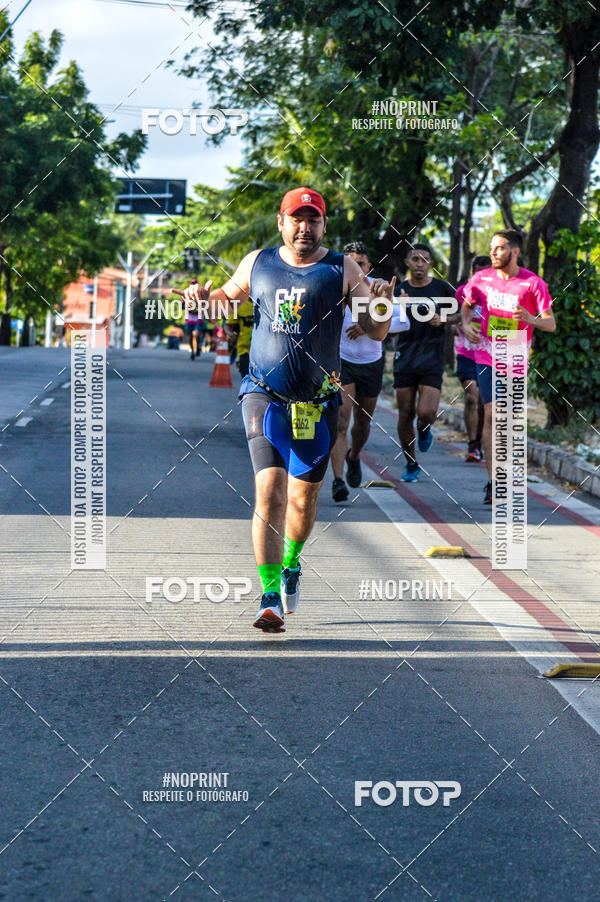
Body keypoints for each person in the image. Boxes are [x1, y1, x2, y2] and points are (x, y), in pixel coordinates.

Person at [177, 187, 395, 632]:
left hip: (318, 401)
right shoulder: (258, 262)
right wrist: (200, 296)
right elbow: (224, 301)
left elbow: (374, 332)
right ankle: (269, 595)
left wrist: (382, 305)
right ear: (281, 222)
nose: (304, 227)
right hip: (263, 394)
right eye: (297, 218)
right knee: (270, 490)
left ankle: (292, 562)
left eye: (313, 219)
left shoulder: (342, 268)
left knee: (302, 498)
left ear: (324, 225)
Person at [461, 230, 556, 504]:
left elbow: (550, 323)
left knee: (507, 421)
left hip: (514, 353)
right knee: (492, 415)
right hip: (486, 353)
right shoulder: (481, 279)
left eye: (500, 248)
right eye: (492, 247)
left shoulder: (533, 283)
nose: (493, 252)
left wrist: (531, 319)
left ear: (515, 251)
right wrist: (466, 325)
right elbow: (467, 306)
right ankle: (494, 482)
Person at [330, 241, 409, 502]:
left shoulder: (379, 287)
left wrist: (368, 326)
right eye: (350, 263)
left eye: (360, 264)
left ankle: (354, 456)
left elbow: (403, 321)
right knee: (341, 422)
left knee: (362, 424)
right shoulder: (335, 286)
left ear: (368, 266)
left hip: (371, 363)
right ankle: (338, 480)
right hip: (342, 362)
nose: (355, 268)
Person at [393, 244, 459, 482]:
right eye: (415, 259)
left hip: (432, 356)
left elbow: (461, 314)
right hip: (405, 357)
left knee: (426, 412)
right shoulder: (399, 290)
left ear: (430, 263)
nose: (419, 263)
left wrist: (444, 319)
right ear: (407, 263)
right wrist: (398, 307)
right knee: (405, 413)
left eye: (424, 259)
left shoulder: (442, 288)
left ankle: (424, 428)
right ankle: (411, 463)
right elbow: (384, 320)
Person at [454, 255, 490, 463]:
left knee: (485, 401)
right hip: (466, 353)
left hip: (489, 355)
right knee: (471, 397)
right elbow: (454, 318)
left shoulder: (499, 295)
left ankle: (482, 442)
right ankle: (472, 444)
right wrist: (457, 325)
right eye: (478, 272)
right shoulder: (462, 292)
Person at [224, 298, 254, 378]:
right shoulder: (239, 306)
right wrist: (229, 333)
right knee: (246, 378)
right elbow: (227, 325)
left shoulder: (265, 304)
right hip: (245, 350)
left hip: (263, 353)